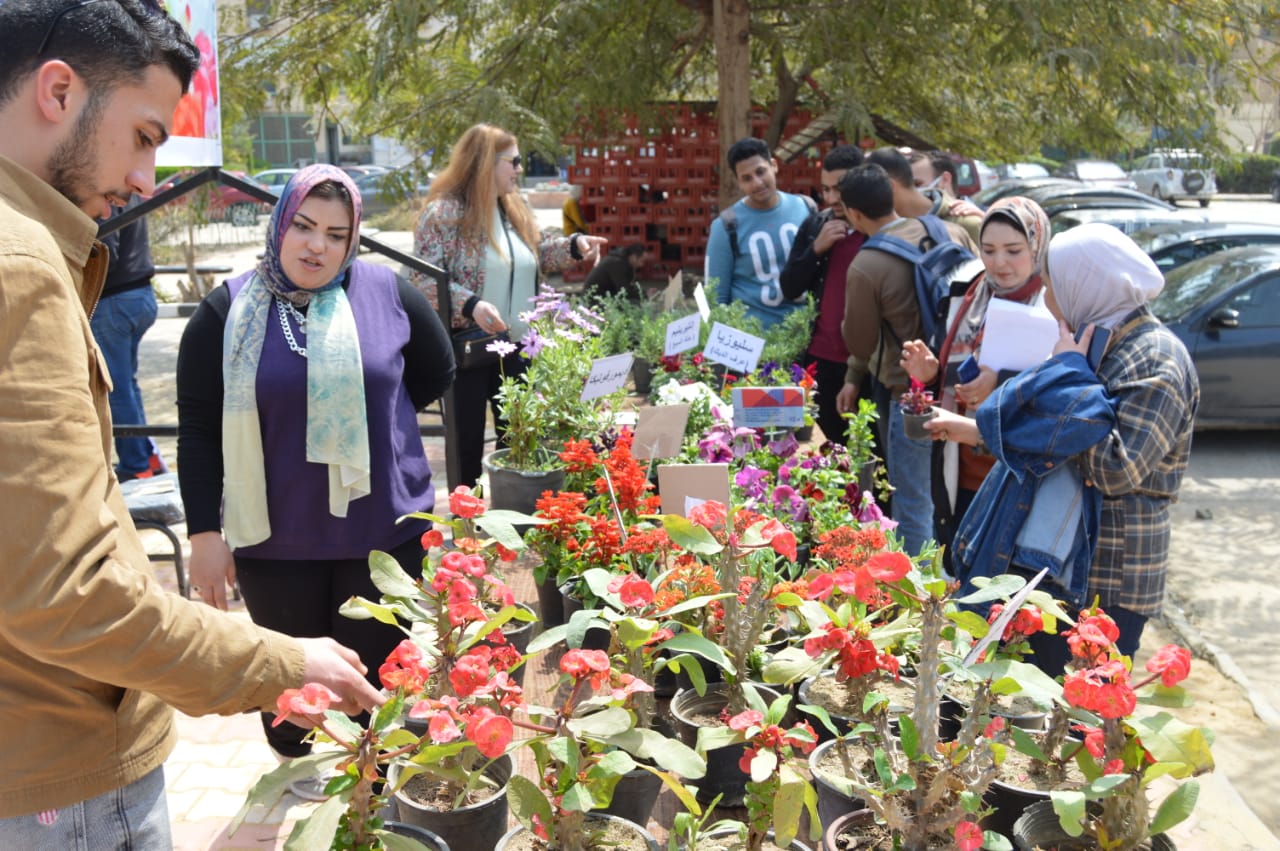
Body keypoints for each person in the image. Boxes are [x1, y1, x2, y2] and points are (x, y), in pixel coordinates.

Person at [0, 1, 382, 841]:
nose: (146, 178)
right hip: (61, 760)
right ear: (58, 91)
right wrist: (282, 659)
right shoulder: (22, 265)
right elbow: (63, 592)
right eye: (143, 135)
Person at [176, 165, 454, 792]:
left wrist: (374, 420)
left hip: (384, 535)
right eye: (302, 226)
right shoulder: (226, 309)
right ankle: (313, 795)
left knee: (380, 689)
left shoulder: (387, 292)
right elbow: (198, 427)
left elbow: (435, 370)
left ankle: (371, 802)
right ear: (279, 224)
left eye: (335, 233)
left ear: (353, 239)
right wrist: (203, 533)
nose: (316, 246)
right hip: (277, 541)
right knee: (291, 705)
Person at [927, 223, 1199, 670]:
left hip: (1112, 573)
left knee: (1082, 714)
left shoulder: (1155, 358)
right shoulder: (1099, 340)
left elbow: (1115, 468)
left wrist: (1068, 375)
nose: (1049, 299)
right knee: (1036, 697)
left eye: (1053, 286)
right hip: (1063, 560)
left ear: (1085, 286)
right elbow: (1045, 438)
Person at [412, 123, 606, 487]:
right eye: (514, 161)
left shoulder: (514, 209)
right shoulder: (442, 214)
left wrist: (574, 245)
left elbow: (537, 255)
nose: (520, 169)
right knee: (465, 447)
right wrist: (470, 305)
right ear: (486, 162)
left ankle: (514, 525)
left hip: (518, 351)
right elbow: (422, 279)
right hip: (466, 349)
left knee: (520, 444)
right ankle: (467, 531)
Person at [834, 163, 977, 556]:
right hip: (966, 390)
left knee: (913, 502)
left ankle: (918, 599)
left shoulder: (867, 264)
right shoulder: (952, 231)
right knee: (958, 495)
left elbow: (860, 342)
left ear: (854, 213)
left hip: (909, 397)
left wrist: (852, 371)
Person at [899, 197, 1051, 566]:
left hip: (1021, 478)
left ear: (1038, 245)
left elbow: (1063, 388)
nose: (999, 263)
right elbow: (954, 380)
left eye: (1014, 250)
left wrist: (1000, 382)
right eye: (989, 249)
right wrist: (932, 374)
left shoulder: (1057, 303)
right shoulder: (966, 295)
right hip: (961, 469)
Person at [780, 144, 866, 445]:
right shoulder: (818, 222)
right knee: (834, 445)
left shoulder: (879, 227)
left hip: (866, 364)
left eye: (839, 189)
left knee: (870, 450)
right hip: (822, 358)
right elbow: (789, 286)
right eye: (826, 189)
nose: (831, 198)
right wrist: (816, 249)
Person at [94, 195, 167, 480]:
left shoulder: (106, 195)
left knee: (117, 390)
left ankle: (136, 466)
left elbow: (104, 252)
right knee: (128, 385)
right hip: (140, 295)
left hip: (116, 300)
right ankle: (145, 456)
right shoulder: (129, 192)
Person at [707, 137, 815, 329]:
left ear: (774, 165)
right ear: (738, 182)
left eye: (760, 172)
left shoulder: (805, 207)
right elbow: (715, 299)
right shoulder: (725, 226)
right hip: (752, 342)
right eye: (746, 178)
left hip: (806, 334)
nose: (757, 183)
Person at [867, 147, 983, 243]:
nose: (911, 190)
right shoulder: (897, 226)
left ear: (945, 180)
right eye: (909, 182)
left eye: (917, 184)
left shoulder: (969, 222)